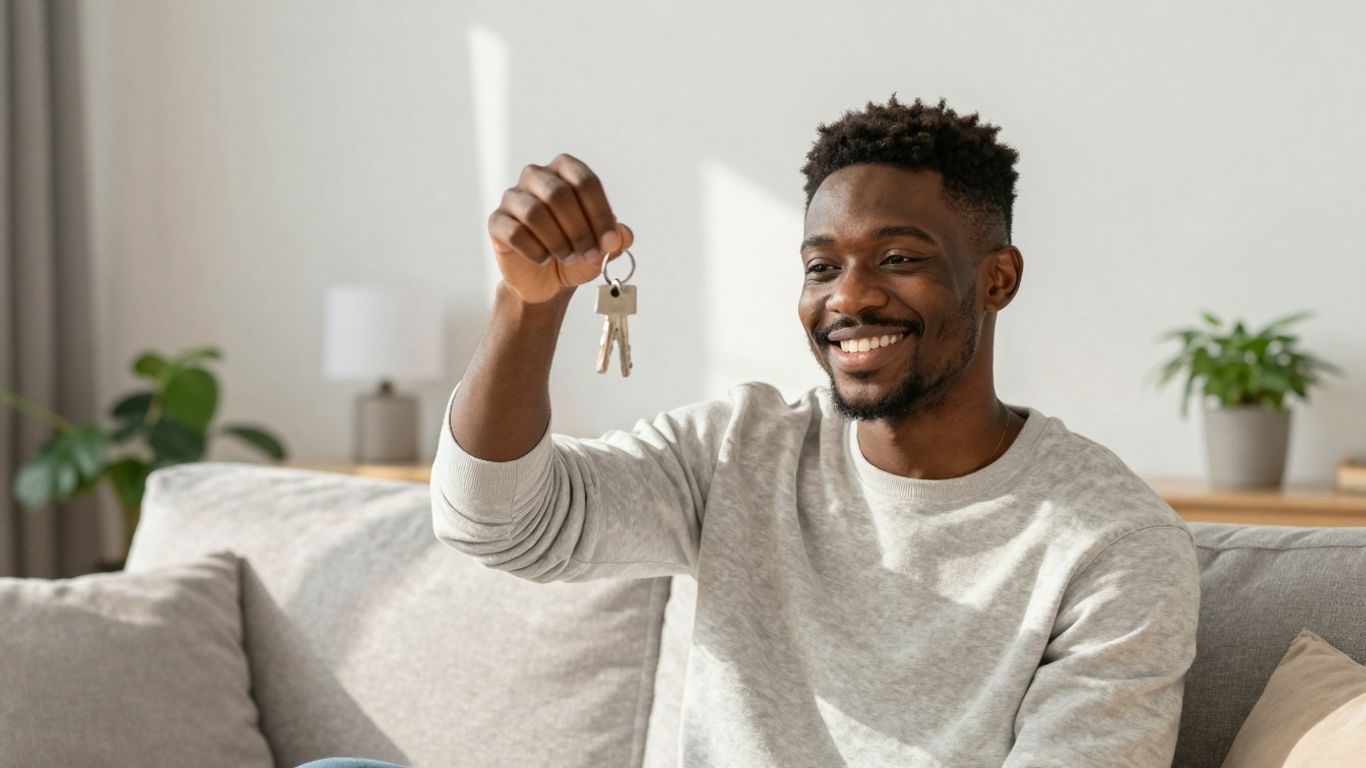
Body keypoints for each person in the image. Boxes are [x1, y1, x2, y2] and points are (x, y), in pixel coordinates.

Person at [417, 96, 1197, 767]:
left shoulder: (1114, 542)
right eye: (822, 267)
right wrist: (530, 304)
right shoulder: (742, 448)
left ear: (998, 279)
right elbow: (495, 523)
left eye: (896, 257)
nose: (849, 297)